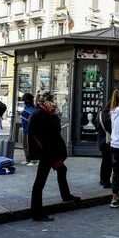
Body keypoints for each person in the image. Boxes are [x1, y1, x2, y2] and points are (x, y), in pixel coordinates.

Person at [27, 91, 80, 221]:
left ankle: (66, 196)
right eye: (52, 100)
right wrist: (51, 156)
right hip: (47, 153)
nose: (54, 102)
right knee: (40, 182)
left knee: (62, 170)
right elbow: (39, 137)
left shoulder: (49, 113)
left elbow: (55, 130)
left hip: (53, 152)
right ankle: (37, 212)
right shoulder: (38, 114)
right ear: (45, 101)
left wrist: (53, 114)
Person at [96, 101, 113, 189]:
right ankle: (107, 181)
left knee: (104, 161)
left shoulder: (99, 114)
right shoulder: (111, 116)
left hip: (101, 141)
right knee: (109, 162)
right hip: (109, 141)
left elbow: (97, 127)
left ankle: (102, 179)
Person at [20, 93, 37, 165]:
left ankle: (34, 160)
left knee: (31, 145)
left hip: (30, 130)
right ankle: (28, 159)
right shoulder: (26, 107)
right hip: (25, 129)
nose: (24, 101)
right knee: (25, 145)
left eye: (25, 100)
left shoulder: (32, 109)